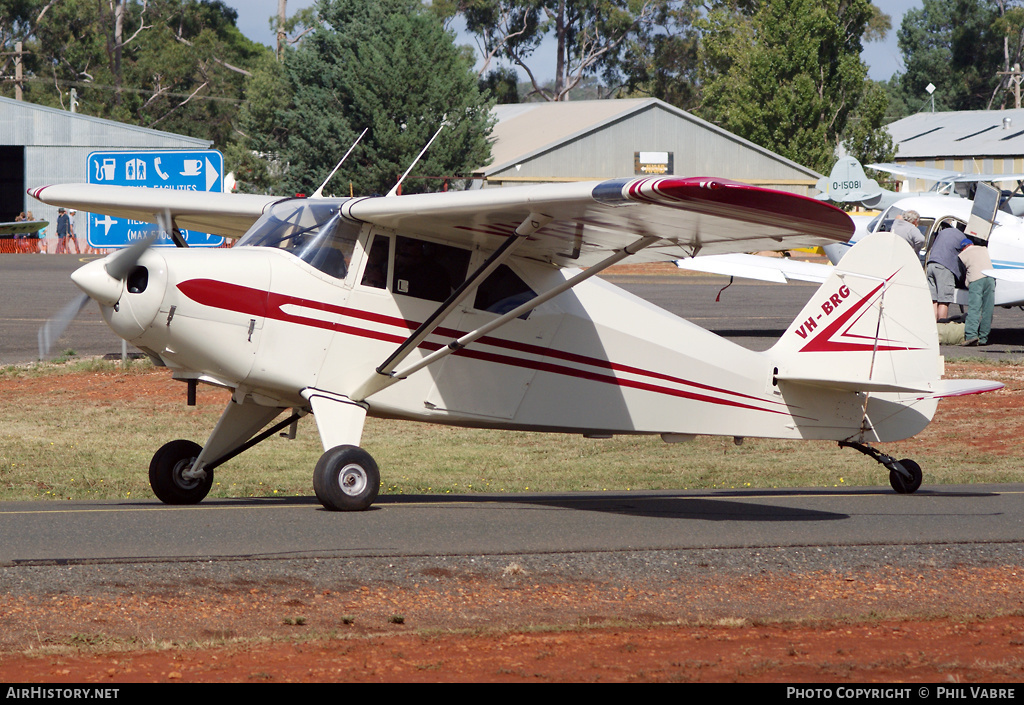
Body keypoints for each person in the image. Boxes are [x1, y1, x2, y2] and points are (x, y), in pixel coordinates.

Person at [958, 237, 995, 346]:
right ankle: (984, 337)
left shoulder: (962, 255)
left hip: (976, 279)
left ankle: (971, 336)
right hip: (990, 277)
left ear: (963, 248)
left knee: (974, 308)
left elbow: (962, 272)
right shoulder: (984, 249)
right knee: (988, 309)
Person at [926, 226, 966, 321]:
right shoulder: (962, 237)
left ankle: (933, 327)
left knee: (934, 300)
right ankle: (942, 328)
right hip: (944, 267)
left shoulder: (943, 232)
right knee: (944, 301)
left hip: (931, 264)